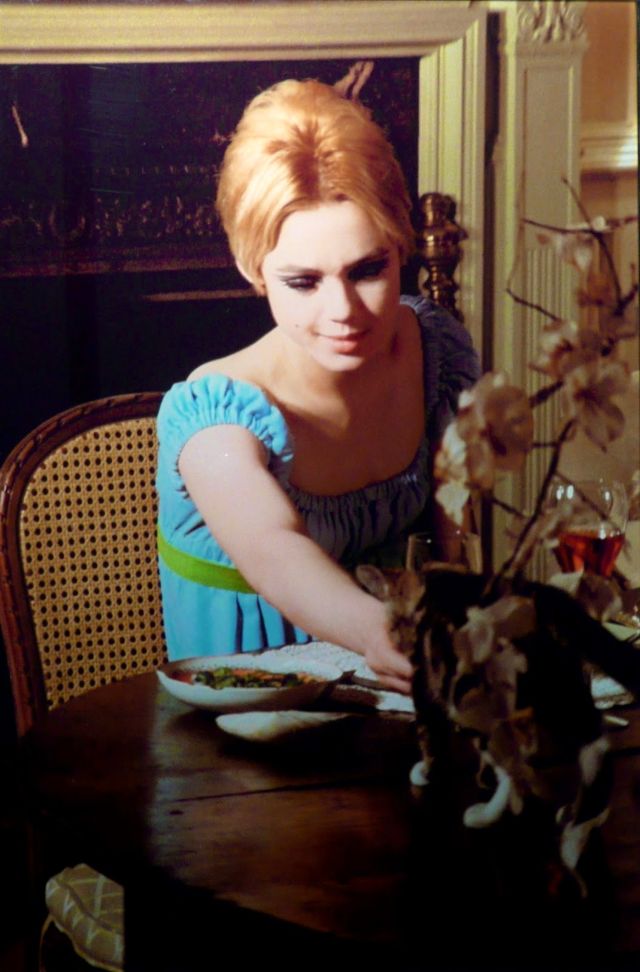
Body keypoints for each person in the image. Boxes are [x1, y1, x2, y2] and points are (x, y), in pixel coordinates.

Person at [156, 78, 480, 693]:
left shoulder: (436, 351)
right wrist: (384, 634)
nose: (344, 312)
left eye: (368, 270)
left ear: (401, 245)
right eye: (303, 282)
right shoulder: (214, 417)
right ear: (252, 268)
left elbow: (451, 547)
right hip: (246, 717)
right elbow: (275, 549)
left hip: (397, 693)